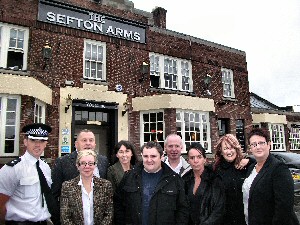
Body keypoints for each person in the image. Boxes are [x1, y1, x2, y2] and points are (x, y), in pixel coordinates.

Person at [114, 141, 189, 225]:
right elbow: (118, 204)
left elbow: (183, 211)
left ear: (161, 157)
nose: (149, 160)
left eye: (153, 156)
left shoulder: (175, 180)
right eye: (146, 156)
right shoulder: (129, 178)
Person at [0, 123, 59, 225]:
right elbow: (1, 203)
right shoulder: (12, 168)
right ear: (25, 142)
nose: (37, 145)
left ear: (46, 143)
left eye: (42, 141)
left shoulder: (46, 168)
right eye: (33, 140)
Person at [242, 128, 299, 225]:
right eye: (254, 144)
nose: (258, 147)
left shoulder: (279, 169)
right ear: (250, 148)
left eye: (261, 143)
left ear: (269, 144)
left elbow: (284, 208)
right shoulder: (251, 168)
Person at [51, 129, 109, 203]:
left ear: (95, 144)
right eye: (84, 140)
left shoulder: (103, 161)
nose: (88, 143)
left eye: (91, 140)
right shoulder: (62, 162)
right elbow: (55, 193)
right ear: (76, 144)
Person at [60, 150, 113, 224]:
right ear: (77, 166)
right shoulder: (67, 186)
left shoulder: (105, 185)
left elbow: (109, 214)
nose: (87, 166)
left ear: (95, 165)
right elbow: (65, 217)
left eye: (90, 163)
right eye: (83, 163)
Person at [214, 134, 254, 225]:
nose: (229, 151)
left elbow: (262, 164)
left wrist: (250, 160)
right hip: (224, 220)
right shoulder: (215, 170)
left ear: (237, 149)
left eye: (232, 147)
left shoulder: (246, 166)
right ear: (220, 151)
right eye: (226, 148)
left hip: (244, 219)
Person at [182, 142, 225, 225]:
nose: (195, 161)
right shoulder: (185, 180)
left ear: (205, 159)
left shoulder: (214, 179)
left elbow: (219, 209)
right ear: (188, 161)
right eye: (192, 158)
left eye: (199, 157)